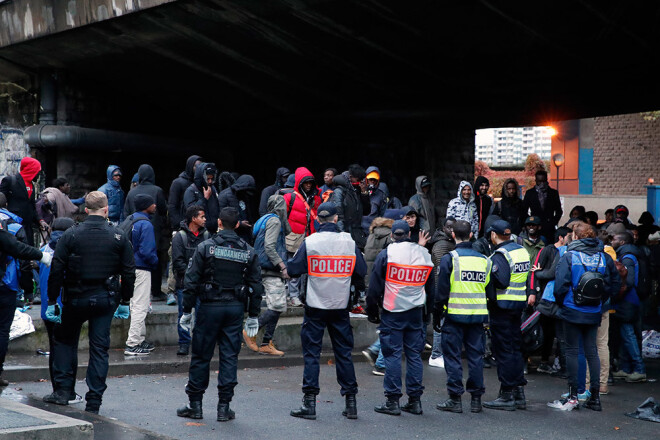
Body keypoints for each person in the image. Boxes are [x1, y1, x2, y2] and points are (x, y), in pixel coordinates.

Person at [41, 191, 135, 413]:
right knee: (99, 348)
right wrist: (125, 299)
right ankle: (94, 400)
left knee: (65, 342)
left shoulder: (71, 235)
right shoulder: (118, 236)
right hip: (105, 298)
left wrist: (53, 300)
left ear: (85, 210)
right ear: (106, 210)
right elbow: (129, 272)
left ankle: (63, 392)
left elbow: (57, 269)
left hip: (74, 297)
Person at [176, 207, 263, 422]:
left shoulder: (206, 247)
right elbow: (256, 286)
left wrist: (186, 311)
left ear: (219, 222)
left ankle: (195, 405)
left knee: (201, 356)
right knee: (229, 357)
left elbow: (190, 281)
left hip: (209, 308)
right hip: (234, 309)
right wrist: (253, 315)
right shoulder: (248, 251)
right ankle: (224, 407)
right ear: (237, 224)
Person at [288, 202, 367, 421]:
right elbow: (362, 270)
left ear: (318, 220)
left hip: (315, 306)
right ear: (335, 219)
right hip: (340, 306)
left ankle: (310, 404)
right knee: (344, 354)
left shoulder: (311, 242)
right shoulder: (348, 242)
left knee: (312, 355)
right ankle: (351, 403)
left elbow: (294, 269)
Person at [549, 222, 619, 412]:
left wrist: (563, 302)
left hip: (572, 309)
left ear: (577, 236)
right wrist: (601, 301)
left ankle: (573, 396)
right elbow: (614, 283)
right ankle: (594, 398)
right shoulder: (604, 257)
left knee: (572, 351)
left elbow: (560, 286)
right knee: (592, 351)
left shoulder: (570, 256)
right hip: (594, 310)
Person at [366, 220, 434, 416]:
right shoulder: (423, 254)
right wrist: (428, 314)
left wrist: (372, 312)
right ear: (409, 233)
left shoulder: (387, 254)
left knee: (393, 356)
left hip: (393, 311)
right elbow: (431, 287)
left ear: (392, 235)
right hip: (416, 312)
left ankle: (393, 401)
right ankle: (414, 401)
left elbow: (374, 288)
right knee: (414, 356)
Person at [434, 220, 492, 414]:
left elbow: (441, 292)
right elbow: (489, 291)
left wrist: (436, 314)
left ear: (453, 236)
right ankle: (476, 400)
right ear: (471, 235)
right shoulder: (484, 260)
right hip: (477, 317)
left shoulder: (450, 259)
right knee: (476, 358)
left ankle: (455, 399)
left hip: (454, 316)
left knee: (453, 358)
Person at [481, 220, 530, 411]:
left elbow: (501, 281)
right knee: (515, 347)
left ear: (493, 234)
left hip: (502, 307)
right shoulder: (521, 250)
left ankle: (507, 394)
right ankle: (518, 393)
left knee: (503, 351)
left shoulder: (501, 254)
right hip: (517, 305)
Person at [0, 218, 51, 387]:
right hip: (3, 286)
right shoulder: (8, 228)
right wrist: (41, 255)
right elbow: (16, 248)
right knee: (2, 329)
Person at [38, 217, 81, 403]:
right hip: (68, 306)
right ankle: (68, 390)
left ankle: (56, 388)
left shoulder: (42, 250)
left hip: (48, 307)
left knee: (54, 348)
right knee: (70, 348)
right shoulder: (73, 250)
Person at [243, 194, 290, 356]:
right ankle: (251, 332)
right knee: (277, 305)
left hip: (262, 267)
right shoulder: (275, 221)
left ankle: (266, 343)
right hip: (271, 269)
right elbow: (270, 247)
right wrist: (282, 265)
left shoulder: (264, 220)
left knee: (276, 306)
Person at [529, 227, 571, 375]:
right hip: (550, 298)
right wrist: (533, 292)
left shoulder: (564, 252)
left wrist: (538, 273)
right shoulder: (548, 250)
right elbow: (535, 271)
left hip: (553, 299)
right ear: (561, 237)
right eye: (568, 235)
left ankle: (558, 365)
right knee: (547, 332)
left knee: (556, 332)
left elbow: (544, 272)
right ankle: (547, 361)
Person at [123, 164, 168, 301]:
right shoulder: (157, 191)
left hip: (134, 230)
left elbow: (126, 213)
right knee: (155, 259)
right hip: (154, 230)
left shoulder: (131, 193)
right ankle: (156, 291)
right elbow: (163, 209)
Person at [124, 194, 159, 355]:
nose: (155, 206)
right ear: (146, 206)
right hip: (142, 269)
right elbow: (147, 251)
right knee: (140, 306)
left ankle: (139, 339)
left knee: (134, 304)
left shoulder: (130, 219)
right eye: (153, 203)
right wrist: (155, 263)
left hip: (128, 268)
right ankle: (132, 344)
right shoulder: (146, 224)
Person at [171, 205, 209, 356]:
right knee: (184, 314)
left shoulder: (206, 236)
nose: (205, 219)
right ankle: (184, 343)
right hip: (184, 284)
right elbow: (178, 262)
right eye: (202, 217)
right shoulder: (180, 237)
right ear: (194, 219)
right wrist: (193, 274)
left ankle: (199, 343)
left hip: (201, 284)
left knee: (202, 315)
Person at [283, 167, 322, 307]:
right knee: (293, 269)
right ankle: (292, 295)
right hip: (293, 238)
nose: (309, 185)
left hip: (309, 238)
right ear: (299, 183)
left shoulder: (316, 198)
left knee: (306, 270)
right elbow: (281, 218)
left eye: (311, 182)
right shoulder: (289, 197)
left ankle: (300, 295)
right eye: (306, 182)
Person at [611, 232, 647, 383]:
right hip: (630, 300)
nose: (612, 241)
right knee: (626, 335)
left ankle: (639, 369)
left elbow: (629, 281)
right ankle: (625, 368)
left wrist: (617, 293)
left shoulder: (627, 257)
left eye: (615, 239)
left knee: (628, 334)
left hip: (627, 301)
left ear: (623, 242)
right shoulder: (630, 254)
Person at [0, 156, 47, 246]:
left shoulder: (32, 186)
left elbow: (32, 207)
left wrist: (40, 220)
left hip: (28, 228)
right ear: (31, 170)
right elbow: (1, 200)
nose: (38, 175)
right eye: (37, 172)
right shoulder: (10, 181)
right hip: (14, 227)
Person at [328, 172, 367, 250]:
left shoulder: (354, 192)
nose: (359, 181)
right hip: (346, 233)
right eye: (357, 179)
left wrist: (364, 192)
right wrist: (342, 236)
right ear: (350, 177)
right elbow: (338, 215)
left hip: (356, 233)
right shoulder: (339, 192)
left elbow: (365, 211)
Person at [522, 170, 562, 243]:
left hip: (549, 228)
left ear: (547, 180)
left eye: (544, 181)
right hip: (535, 227)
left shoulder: (553, 193)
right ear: (536, 181)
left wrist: (553, 222)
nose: (542, 184)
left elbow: (559, 211)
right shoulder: (530, 193)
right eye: (539, 181)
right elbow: (523, 211)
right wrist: (530, 222)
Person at [218, 174, 257, 243]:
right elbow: (221, 216)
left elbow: (248, 212)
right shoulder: (225, 195)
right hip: (230, 235)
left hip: (245, 234)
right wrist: (239, 223)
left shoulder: (244, 195)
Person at [183, 162, 219, 234]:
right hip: (199, 233)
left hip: (214, 231)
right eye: (208, 179)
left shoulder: (212, 188)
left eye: (212, 179)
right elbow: (191, 213)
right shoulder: (190, 191)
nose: (210, 181)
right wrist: (205, 199)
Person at [168, 155, 202, 230]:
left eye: (200, 166)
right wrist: (178, 225)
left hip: (199, 225)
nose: (198, 169)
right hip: (183, 224)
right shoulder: (178, 183)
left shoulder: (201, 183)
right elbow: (172, 206)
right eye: (196, 166)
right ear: (190, 166)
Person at [362, 166, 388, 231]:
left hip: (373, 229)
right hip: (360, 228)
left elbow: (383, 213)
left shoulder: (381, 195)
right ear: (366, 179)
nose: (372, 181)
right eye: (370, 179)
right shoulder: (359, 191)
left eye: (375, 179)